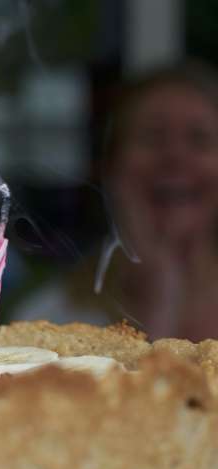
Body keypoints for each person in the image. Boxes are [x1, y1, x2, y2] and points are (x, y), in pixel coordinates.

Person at [13, 61, 218, 342]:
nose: (175, 156)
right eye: (152, 137)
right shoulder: (48, 322)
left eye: (200, 140)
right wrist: (160, 297)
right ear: (111, 166)